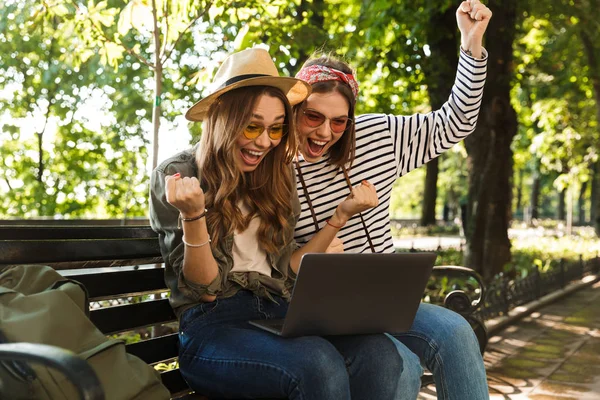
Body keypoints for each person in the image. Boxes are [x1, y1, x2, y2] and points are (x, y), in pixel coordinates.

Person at [149, 48, 403, 400]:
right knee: (317, 365)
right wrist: (194, 216)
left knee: (380, 354)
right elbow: (205, 290)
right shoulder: (181, 175)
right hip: (213, 329)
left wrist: (339, 217)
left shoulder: (274, 175)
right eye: (252, 126)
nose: (265, 142)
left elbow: (284, 273)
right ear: (224, 118)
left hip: (275, 313)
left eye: (276, 129)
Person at [292, 1, 492, 399]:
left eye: (339, 121)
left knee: (455, 332)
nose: (325, 132)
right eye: (313, 117)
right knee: (399, 364)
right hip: (322, 314)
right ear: (294, 109)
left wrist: (471, 46)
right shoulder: (272, 170)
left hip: (387, 301)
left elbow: (456, 122)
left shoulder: (379, 135)